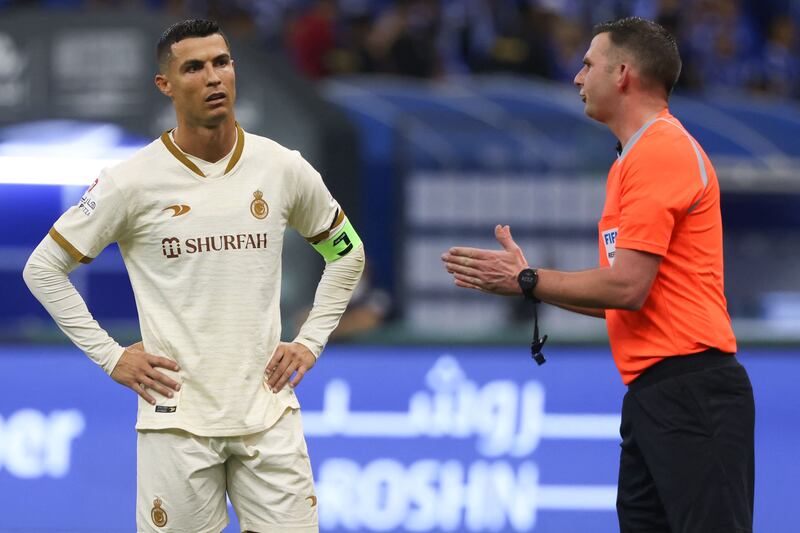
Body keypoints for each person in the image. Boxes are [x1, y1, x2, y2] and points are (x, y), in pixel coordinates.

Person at [23, 19, 364, 533]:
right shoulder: (130, 182)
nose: (213, 78)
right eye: (194, 67)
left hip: (268, 417)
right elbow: (43, 269)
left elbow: (347, 253)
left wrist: (310, 341)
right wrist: (111, 356)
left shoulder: (282, 167)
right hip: (177, 425)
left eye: (222, 63)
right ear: (165, 84)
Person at [442, 17, 754, 533]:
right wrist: (527, 279)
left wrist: (530, 280)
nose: (577, 77)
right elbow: (624, 292)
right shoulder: (632, 160)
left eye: (588, 64)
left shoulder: (661, 151)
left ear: (623, 73)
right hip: (658, 395)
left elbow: (627, 288)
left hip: (692, 393)